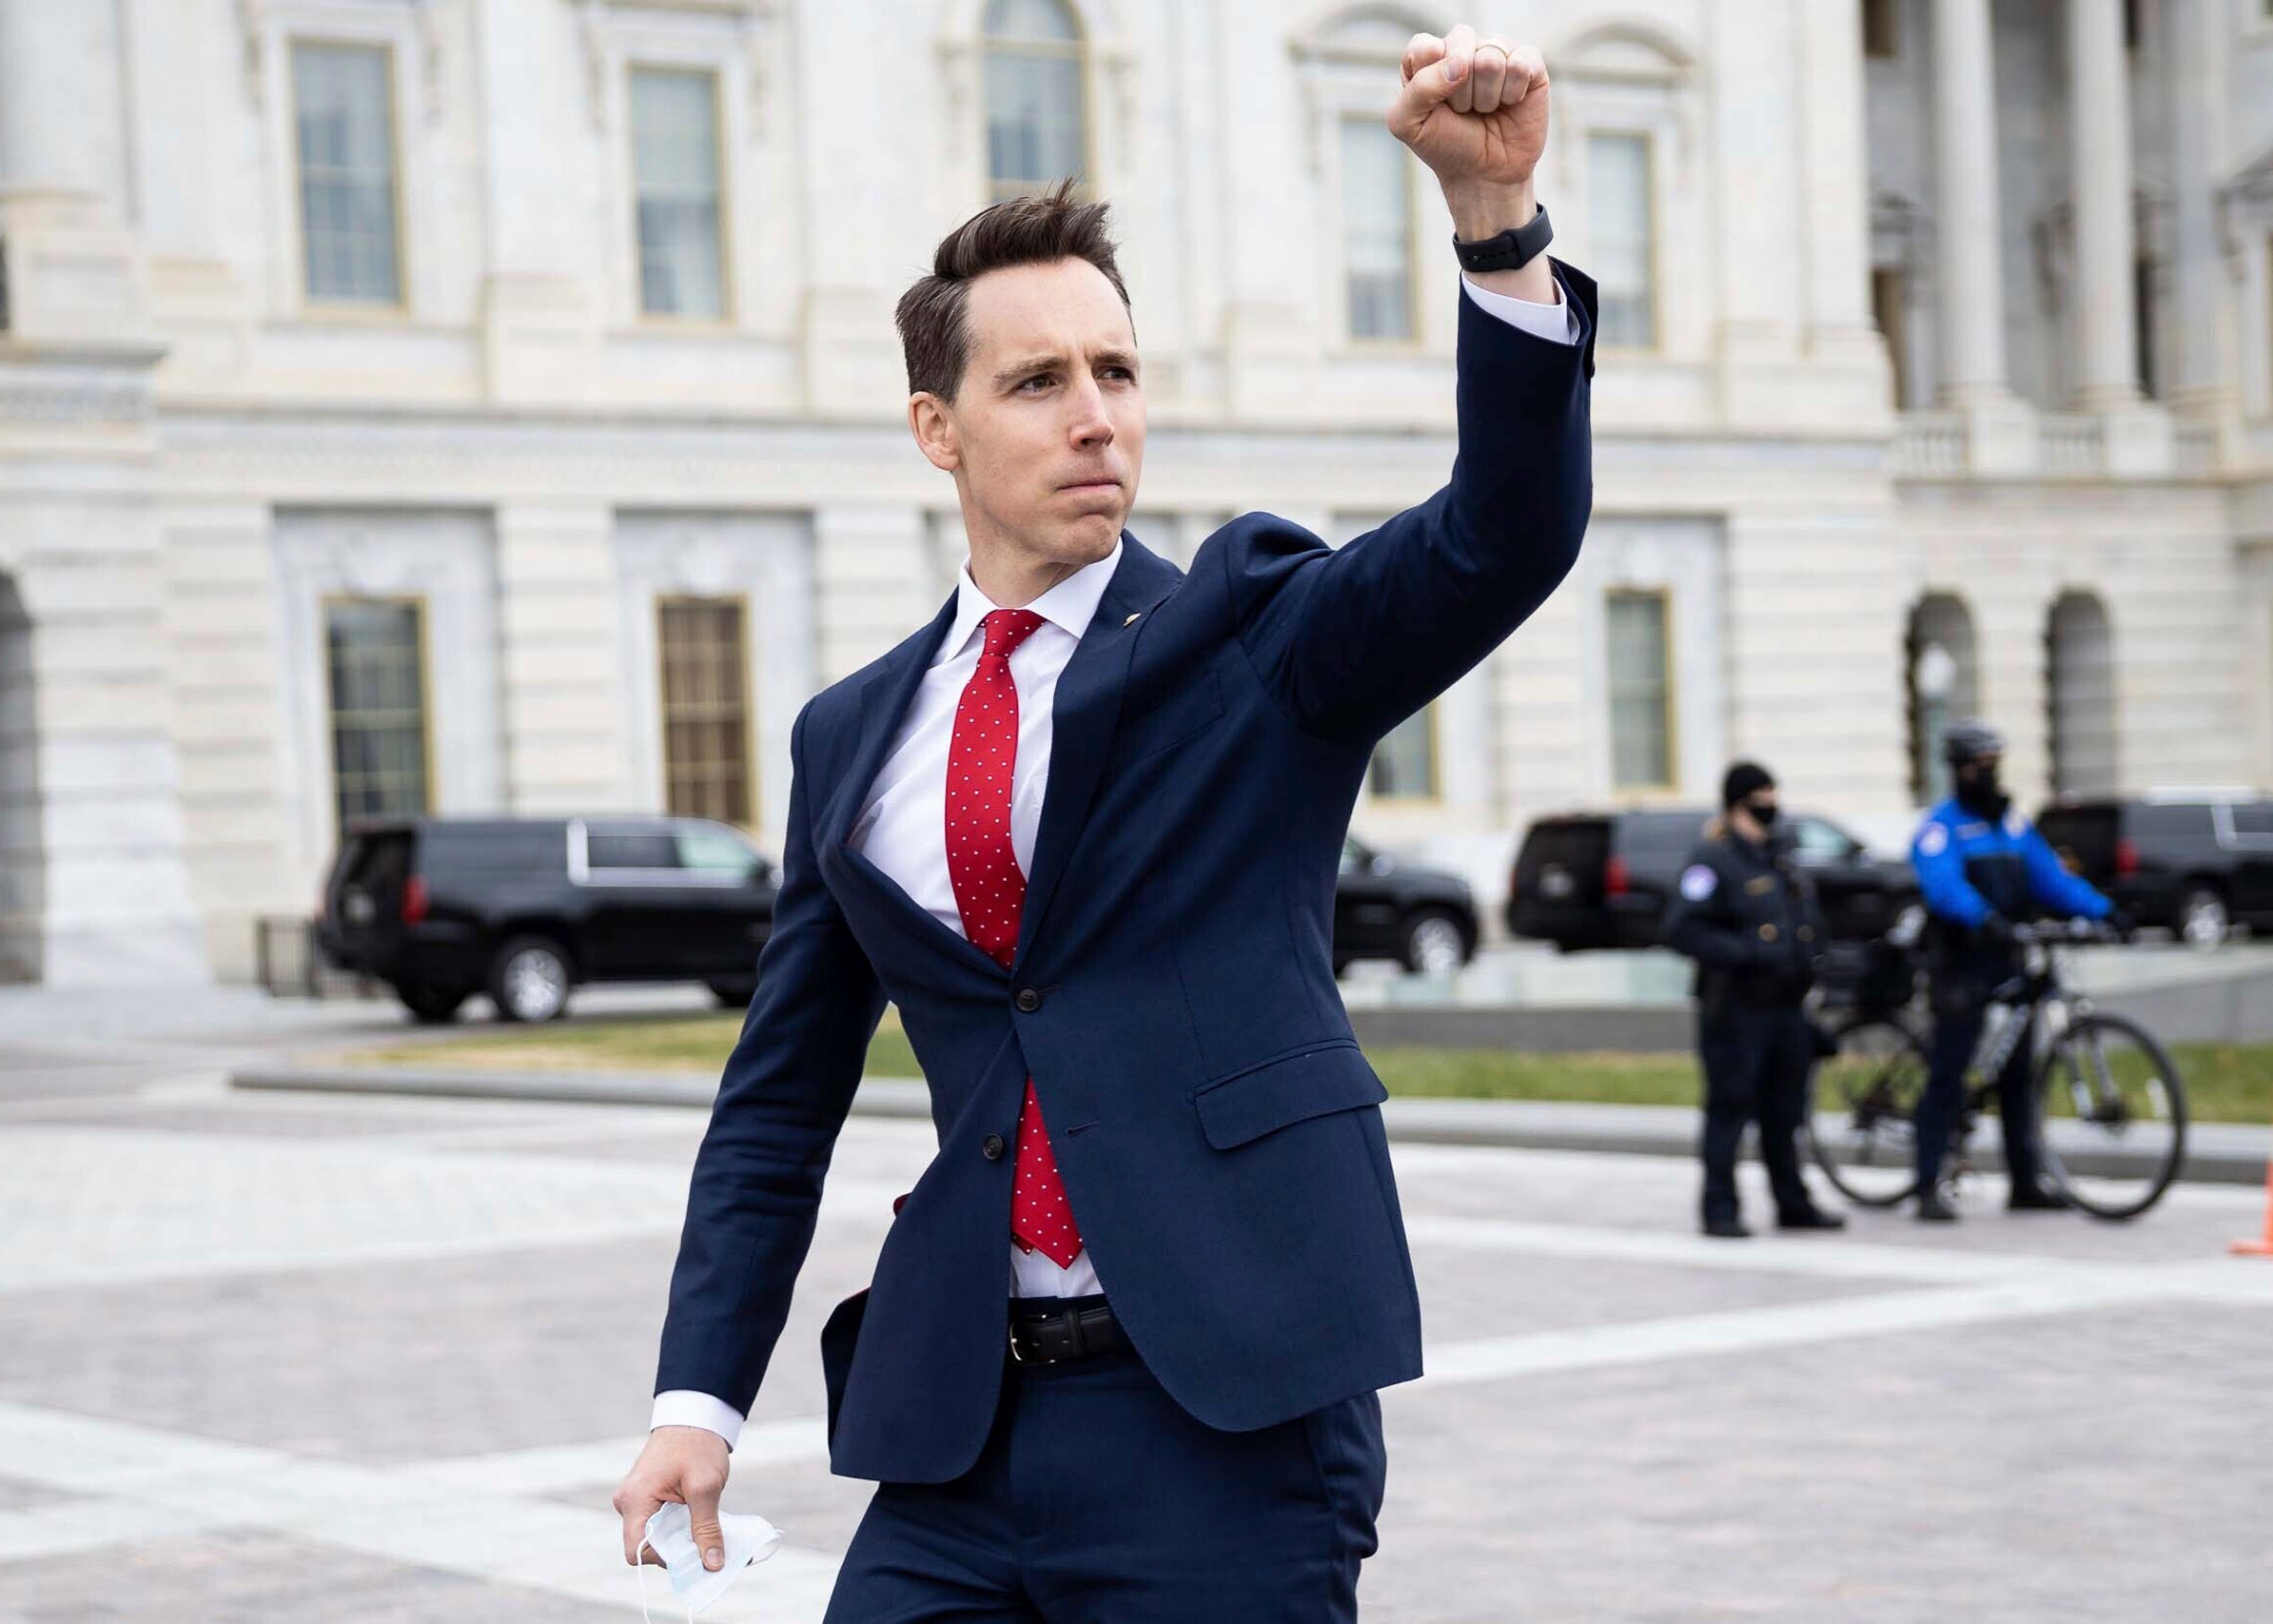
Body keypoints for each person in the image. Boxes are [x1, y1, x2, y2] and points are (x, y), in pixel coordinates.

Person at [611, 24, 1595, 1623]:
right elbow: (778, 1099)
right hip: (956, 1433)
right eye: (1040, 379)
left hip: (1222, 1415)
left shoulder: (1253, 638)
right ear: (940, 429)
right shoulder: (849, 735)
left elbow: (1502, 538)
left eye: (1118, 372)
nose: (1096, 415)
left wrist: (1500, 230)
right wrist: (694, 1404)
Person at [1909, 719, 2114, 1222]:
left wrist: (2102, 909)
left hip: (2008, 960)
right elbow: (1943, 887)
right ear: (1959, 770)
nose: (1991, 774)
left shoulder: (2012, 825)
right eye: (1982, 766)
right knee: (1949, 1074)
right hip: (1961, 964)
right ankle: (1926, 1183)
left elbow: (2050, 880)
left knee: (2018, 1074)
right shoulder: (1941, 828)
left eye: (1995, 765)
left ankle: (2025, 1181)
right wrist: (1985, 919)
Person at [1661, 762, 1847, 1240]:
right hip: (1737, 1007)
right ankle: (1719, 1208)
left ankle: (1792, 1202)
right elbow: (1681, 929)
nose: (1771, 807)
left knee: (1785, 1110)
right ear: (1738, 803)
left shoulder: (1778, 856)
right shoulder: (1712, 859)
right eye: (1760, 799)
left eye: (1772, 796)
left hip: (1786, 1005)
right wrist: (1748, 953)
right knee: (1730, 1108)